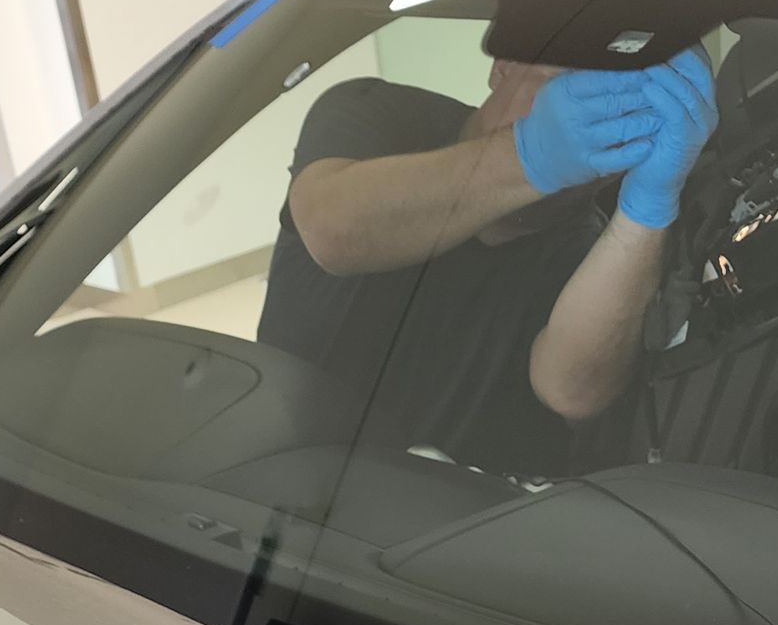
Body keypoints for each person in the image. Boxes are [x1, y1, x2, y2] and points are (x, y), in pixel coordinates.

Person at [259, 45, 716, 478]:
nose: (596, 131)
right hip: (269, 485)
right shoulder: (379, 114)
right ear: (503, 67)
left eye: (623, 121)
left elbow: (572, 391)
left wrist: (648, 207)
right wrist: (528, 155)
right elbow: (333, 227)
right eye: (571, 92)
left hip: (442, 529)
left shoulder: (591, 250)